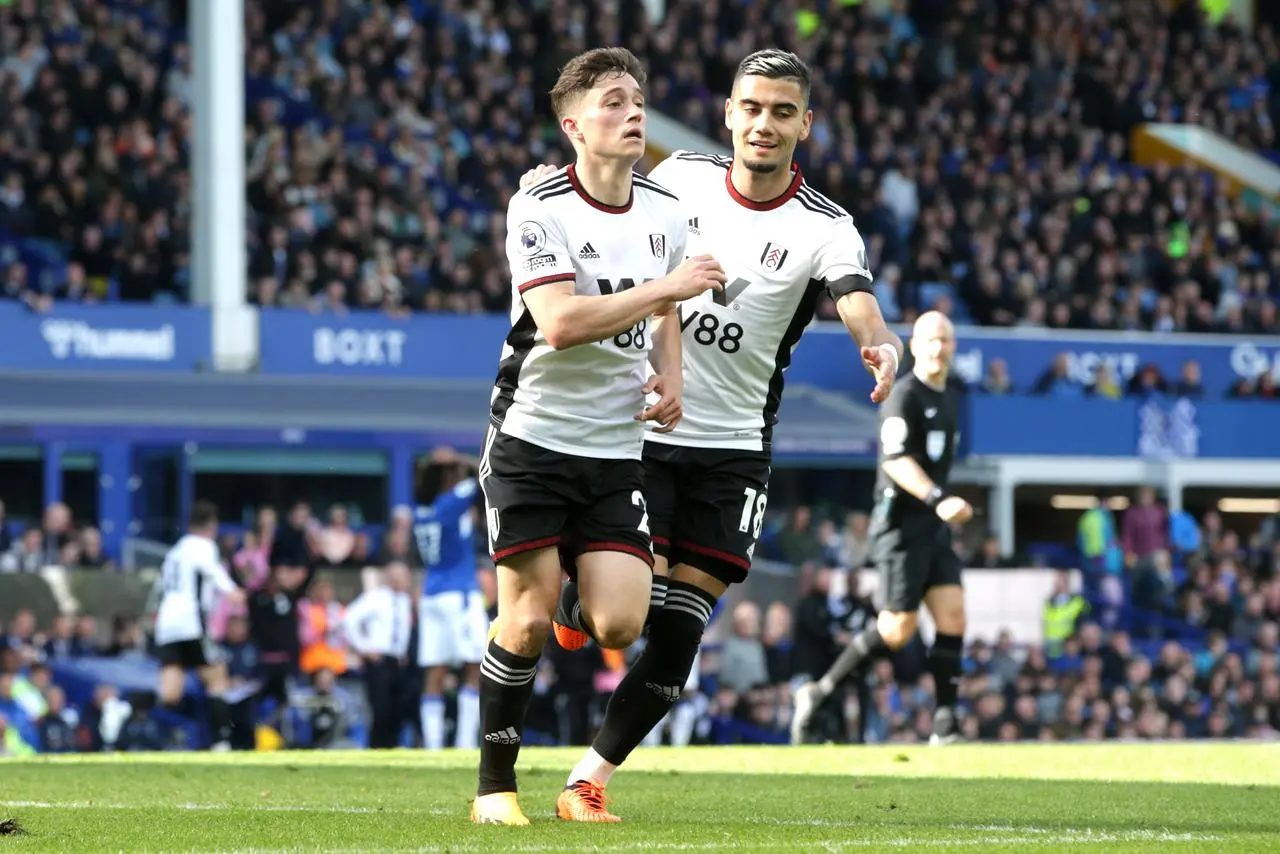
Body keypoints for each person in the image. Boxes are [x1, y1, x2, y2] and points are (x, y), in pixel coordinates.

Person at [521, 48, 902, 822]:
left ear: (805, 125)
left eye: (782, 111)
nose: (765, 124)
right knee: (626, 615)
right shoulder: (681, 180)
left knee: (680, 631)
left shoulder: (825, 226)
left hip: (733, 452)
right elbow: (594, 196)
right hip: (647, 432)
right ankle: (574, 610)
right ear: (729, 114)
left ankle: (588, 781)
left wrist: (879, 339)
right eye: (752, 108)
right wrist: (538, 195)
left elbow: (856, 296)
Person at [471, 46, 725, 827]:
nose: (633, 113)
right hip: (533, 441)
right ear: (573, 124)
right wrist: (667, 289)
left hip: (615, 450)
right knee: (523, 616)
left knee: (620, 622)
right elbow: (558, 323)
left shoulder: (661, 212)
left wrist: (673, 375)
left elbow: (666, 312)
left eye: (638, 99)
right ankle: (493, 789)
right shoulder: (540, 206)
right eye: (613, 102)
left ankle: (573, 606)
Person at [791, 311, 970, 746]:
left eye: (945, 340)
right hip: (900, 528)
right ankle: (819, 692)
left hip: (933, 530)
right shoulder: (904, 395)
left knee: (953, 618)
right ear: (913, 345)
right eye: (930, 339)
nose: (938, 348)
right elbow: (896, 461)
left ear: (954, 346)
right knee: (896, 628)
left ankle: (945, 724)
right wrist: (937, 499)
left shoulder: (951, 399)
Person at [152, 500, 245, 752]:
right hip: (190, 621)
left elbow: (159, 588)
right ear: (212, 525)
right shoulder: (202, 546)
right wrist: (233, 591)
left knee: (170, 692)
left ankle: (146, 728)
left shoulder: (175, 551)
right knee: (217, 679)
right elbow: (211, 570)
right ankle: (221, 742)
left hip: (167, 623)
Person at [413, 446, 486, 750]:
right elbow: (486, 471)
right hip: (459, 594)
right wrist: (460, 460)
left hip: (431, 595)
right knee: (474, 664)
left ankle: (432, 746)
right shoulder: (452, 501)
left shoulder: (421, 510)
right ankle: (465, 743)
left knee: (435, 670)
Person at [343, 561, 414, 749]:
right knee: (380, 708)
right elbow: (349, 619)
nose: (403, 581)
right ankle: (377, 746)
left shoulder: (405, 601)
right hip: (379, 660)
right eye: (398, 576)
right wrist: (364, 648)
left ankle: (393, 746)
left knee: (397, 709)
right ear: (390, 577)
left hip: (398, 662)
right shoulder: (375, 597)